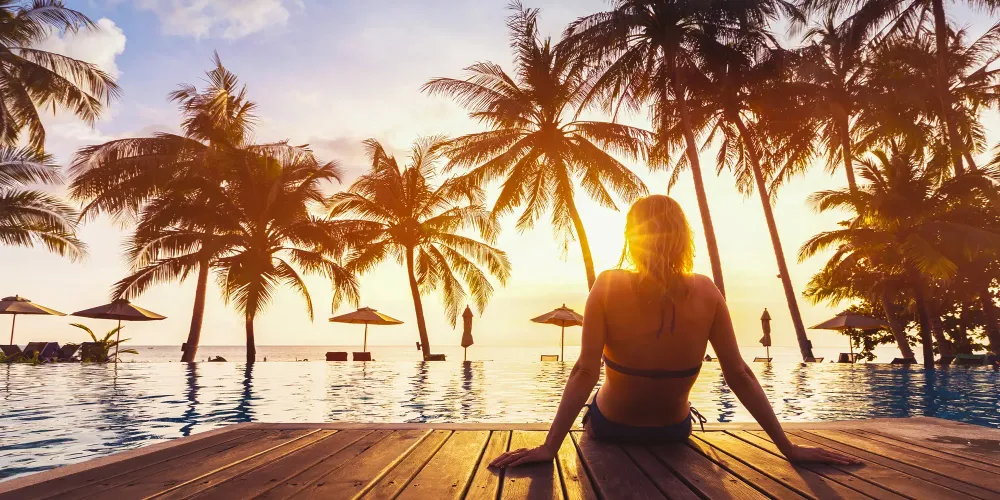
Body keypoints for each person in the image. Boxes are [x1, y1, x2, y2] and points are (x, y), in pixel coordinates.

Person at [491, 195, 858, 468]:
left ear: (631, 238)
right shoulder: (707, 290)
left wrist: (549, 448)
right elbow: (740, 374)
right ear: (684, 238)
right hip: (673, 431)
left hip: (612, 426)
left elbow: (585, 371)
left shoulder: (607, 284)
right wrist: (789, 449)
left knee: (601, 391)